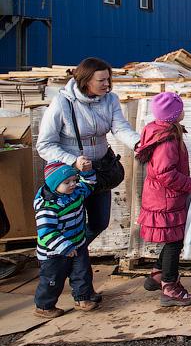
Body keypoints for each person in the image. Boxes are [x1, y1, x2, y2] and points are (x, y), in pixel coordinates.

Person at [36, 58, 140, 245]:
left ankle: (73, 251)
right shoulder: (63, 102)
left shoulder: (111, 100)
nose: (107, 84)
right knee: (68, 224)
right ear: (86, 81)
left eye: (108, 79)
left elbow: (120, 128)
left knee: (100, 222)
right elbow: (45, 144)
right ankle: (67, 259)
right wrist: (72, 161)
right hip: (68, 176)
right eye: (101, 80)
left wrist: (138, 143)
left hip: (98, 171)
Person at [135, 92, 191, 307]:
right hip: (166, 199)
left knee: (173, 238)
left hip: (163, 197)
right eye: (181, 108)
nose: (184, 111)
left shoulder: (160, 131)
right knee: (175, 242)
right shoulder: (167, 140)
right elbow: (166, 174)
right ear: (174, 114)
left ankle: (158, 273)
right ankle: (170, 287)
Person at [33, 162, 99, 317]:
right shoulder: (47, 207)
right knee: (52, 280)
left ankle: (82, 299)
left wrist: (88, 172)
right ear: (54, 184)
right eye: (67, 182)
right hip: (54, 253)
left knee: (82, 273)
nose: (73, 184)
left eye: (74, 180)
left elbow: (89, 185)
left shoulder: (76, 192)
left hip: (77, 243)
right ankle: (44, 306)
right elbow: (47, 233)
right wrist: (65, 247)